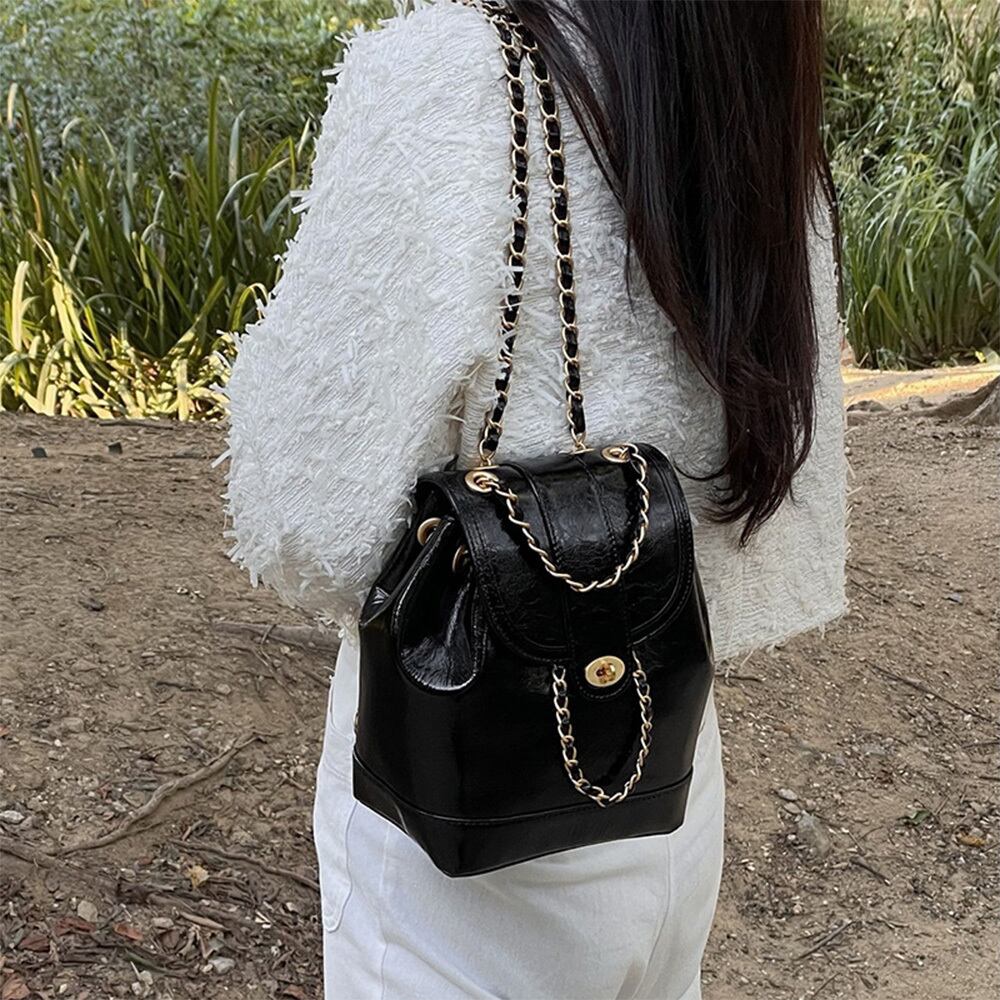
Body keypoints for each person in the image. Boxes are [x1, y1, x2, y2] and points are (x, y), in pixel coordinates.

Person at [217, 0, 847, 997]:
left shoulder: (453, 73)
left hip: (459, 801)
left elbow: (307, 517)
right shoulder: (756, 78)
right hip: (667, 769)